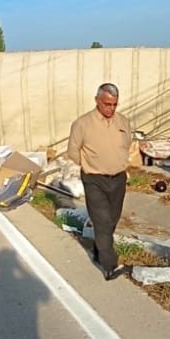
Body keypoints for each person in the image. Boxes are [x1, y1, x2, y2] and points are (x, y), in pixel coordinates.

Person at [67, 83, 132, 281]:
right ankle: (110, 266)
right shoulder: (82, 124)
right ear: (97, 101)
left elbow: (127, 144)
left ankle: (99, 249)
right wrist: (89, 165)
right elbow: (72, 151)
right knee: (102, 221)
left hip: (118, 179)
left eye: (114, 105)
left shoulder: (123, 121)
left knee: (112, 219)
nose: (110, 109)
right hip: (94, 179)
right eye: (106, 104)